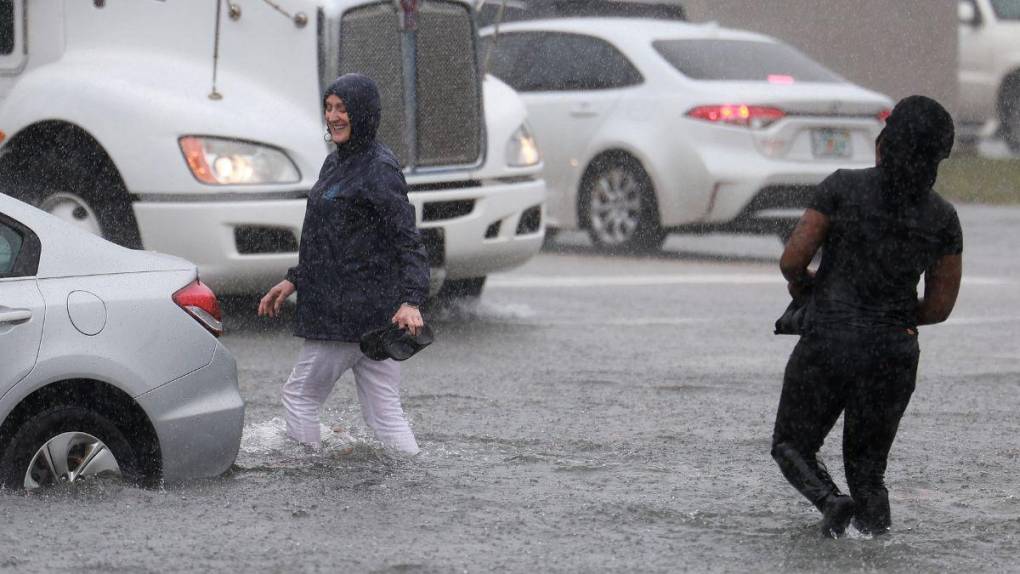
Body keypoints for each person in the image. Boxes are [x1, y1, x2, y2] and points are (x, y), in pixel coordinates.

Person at [770, 95, 963, 537]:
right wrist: (887, 314)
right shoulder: (943, 217)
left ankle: (829, 501)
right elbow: (939, 306)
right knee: (868, 471)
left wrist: (807, 288)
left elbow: (792, 260)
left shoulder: (841, 187)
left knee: (791, 444)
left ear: (883, 143)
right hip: (893, 351)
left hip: (829, 340)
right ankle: (879, 549)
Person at [258, 73, 429, 455]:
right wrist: (295, 280)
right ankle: (413, 474)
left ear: (364, 113)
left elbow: (406, 238)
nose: (333, 116)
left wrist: (413, 300)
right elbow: (327, 237)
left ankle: (308, 470)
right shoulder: (336, 163)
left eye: (343, 108)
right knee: (385, 413)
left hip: (347, 315)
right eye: (329, 108)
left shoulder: (379, 169)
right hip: (367, 315)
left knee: (299, 396)